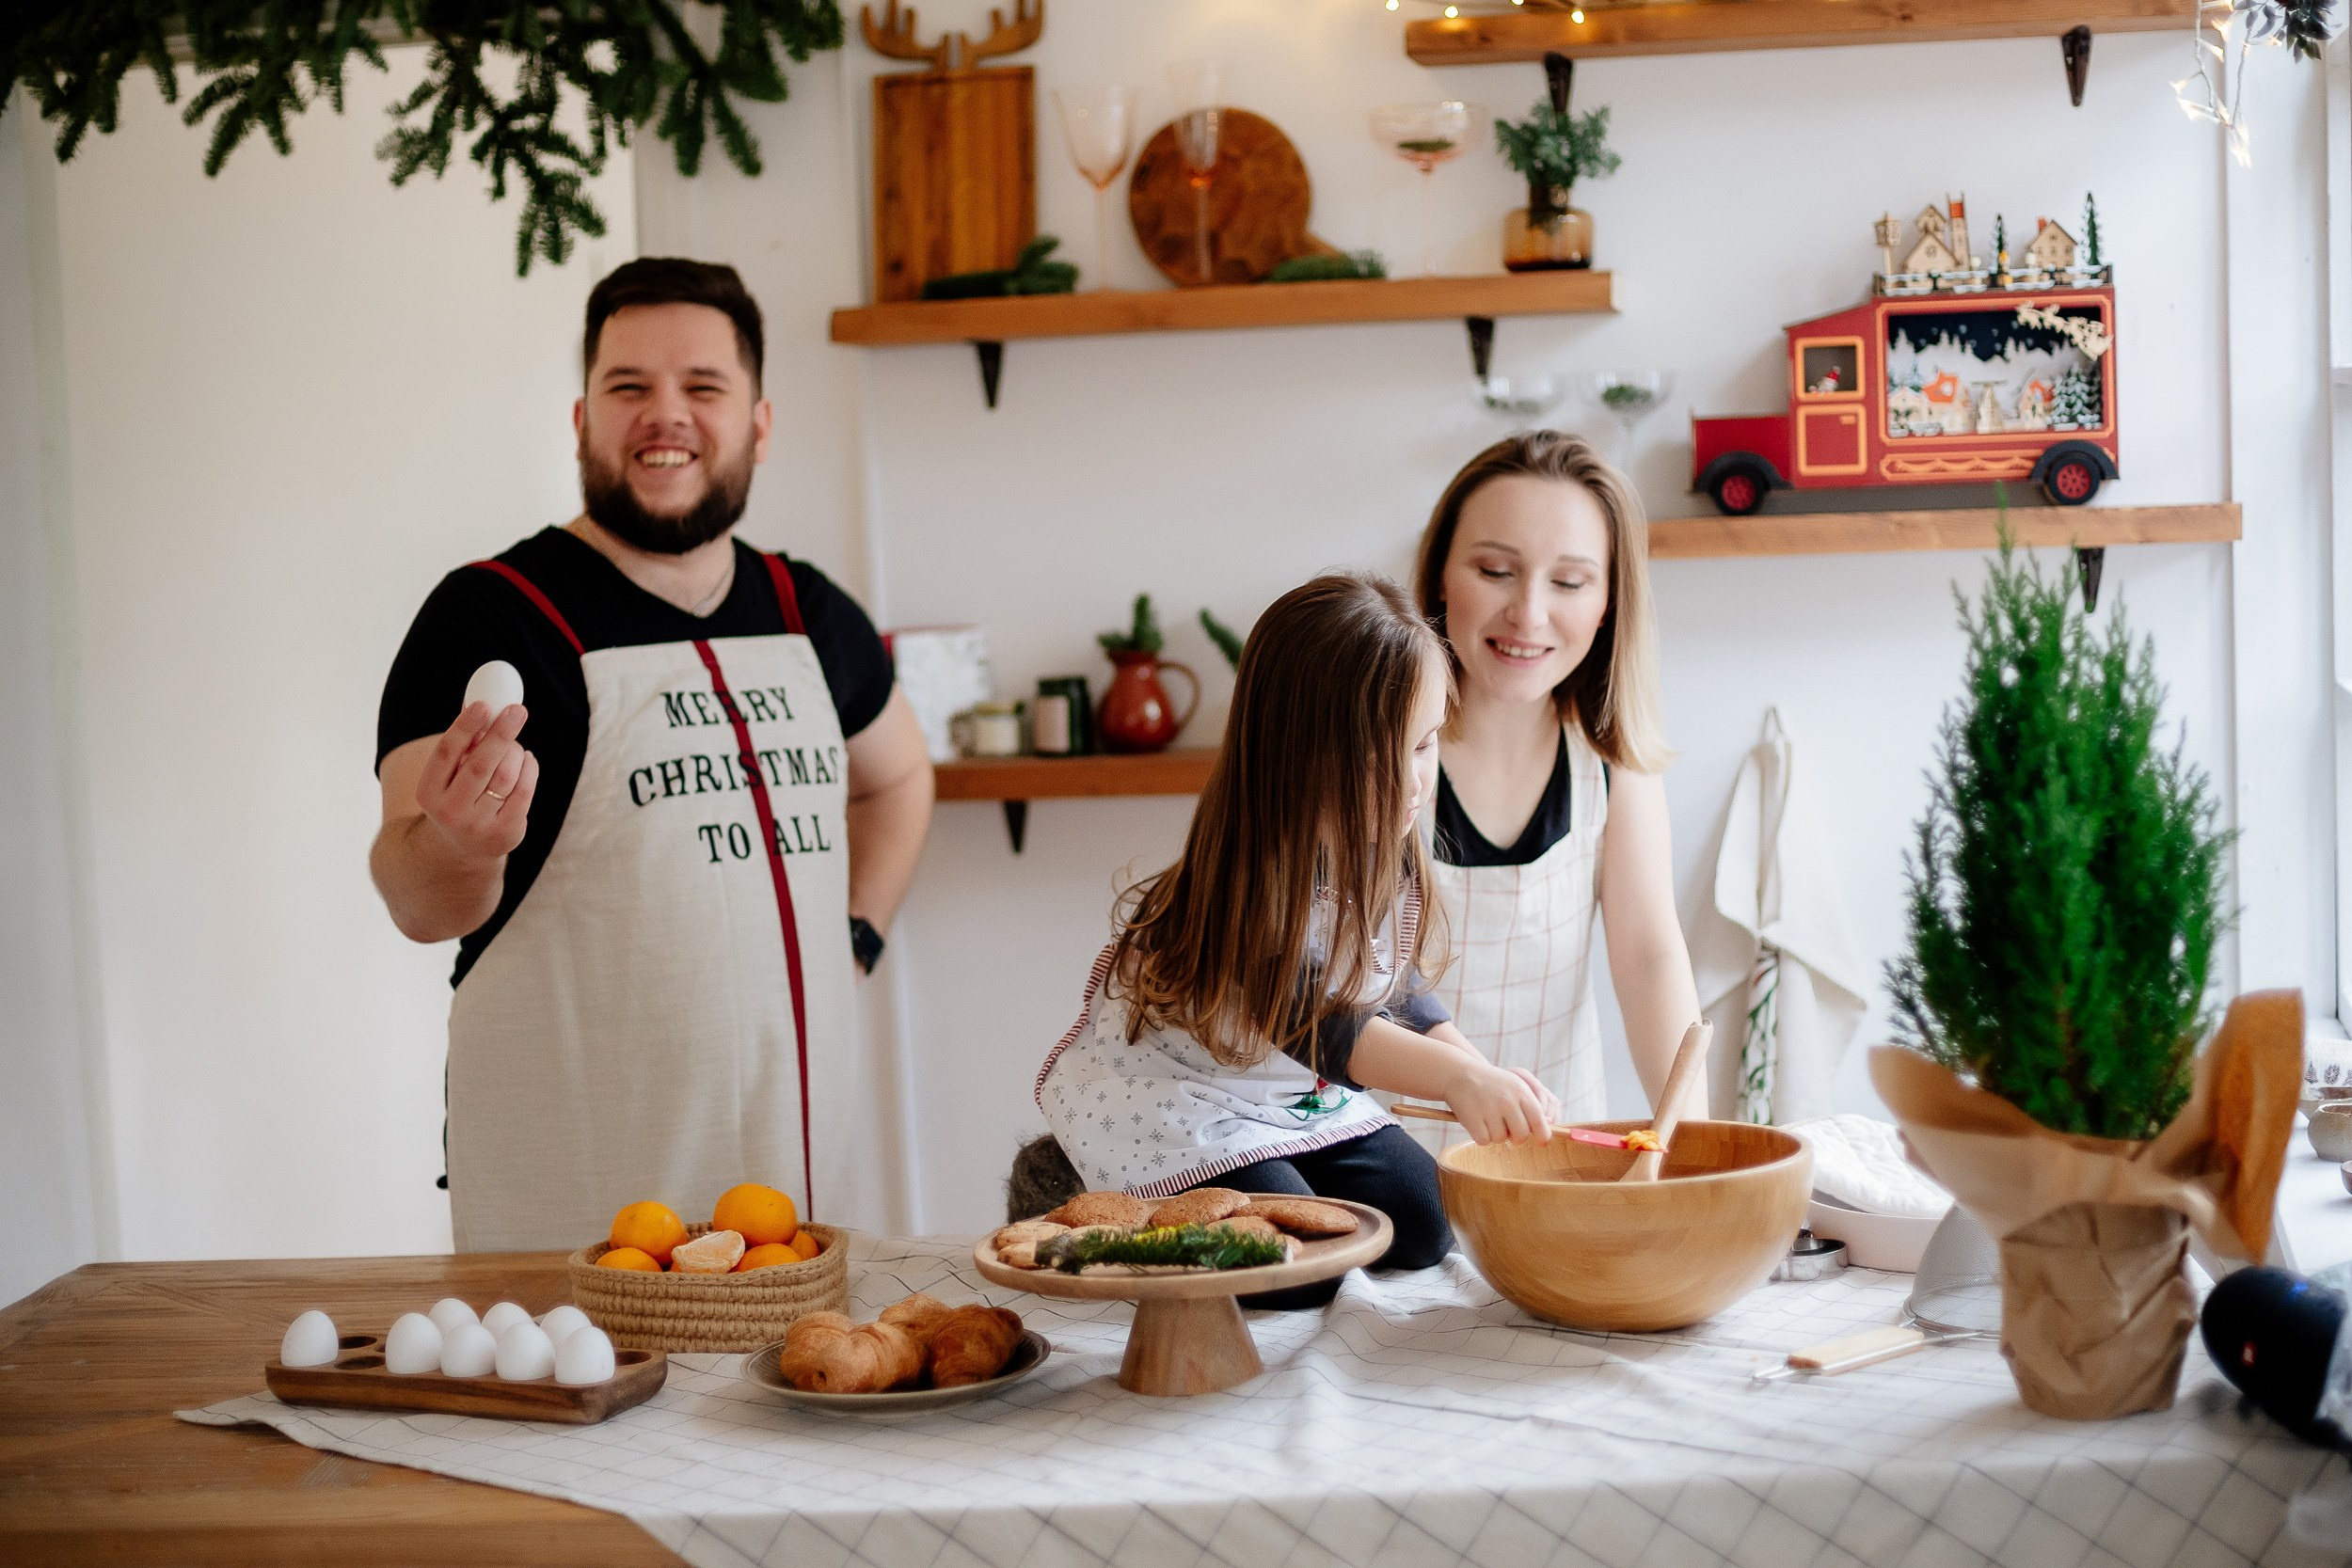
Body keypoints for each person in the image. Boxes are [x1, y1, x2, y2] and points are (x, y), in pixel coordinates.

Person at [372, 258, 934, 1250]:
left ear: (759, 423)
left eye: (702, 387)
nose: (664, 414)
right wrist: (458, 845)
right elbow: (418, 900)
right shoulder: (489, 616)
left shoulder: (809, 612)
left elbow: (898, 778)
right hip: (575, 1211)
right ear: (581, 418)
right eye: (627, 386)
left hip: (792, 1204)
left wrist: (857, 938)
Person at [1033, 574, 1558, 1308]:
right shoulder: (1240, 886)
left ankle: (1276, 1183)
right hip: (1191, 1104)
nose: (1413, 781)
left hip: (1295, 1098)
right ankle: (1083, 1192)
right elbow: (1324, 1027)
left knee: (1427, 1225)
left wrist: (1478, 1068)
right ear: (1293, 756)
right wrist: (1454, 1082)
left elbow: (1395, 988)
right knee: (1295, 1272)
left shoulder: (1381, 844)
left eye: (1424, 744)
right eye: (1378, 757)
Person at [1407, 431, 1701, 1142]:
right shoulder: (1370, 747)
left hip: (1556, 1166)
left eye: (1568, 582)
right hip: (1381, 1167)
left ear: (1608, 602)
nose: (1529, 613)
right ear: (1440, 575)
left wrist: (1695, 1148)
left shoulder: (1610, 760)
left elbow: (1648, 962)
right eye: (1495, 570)